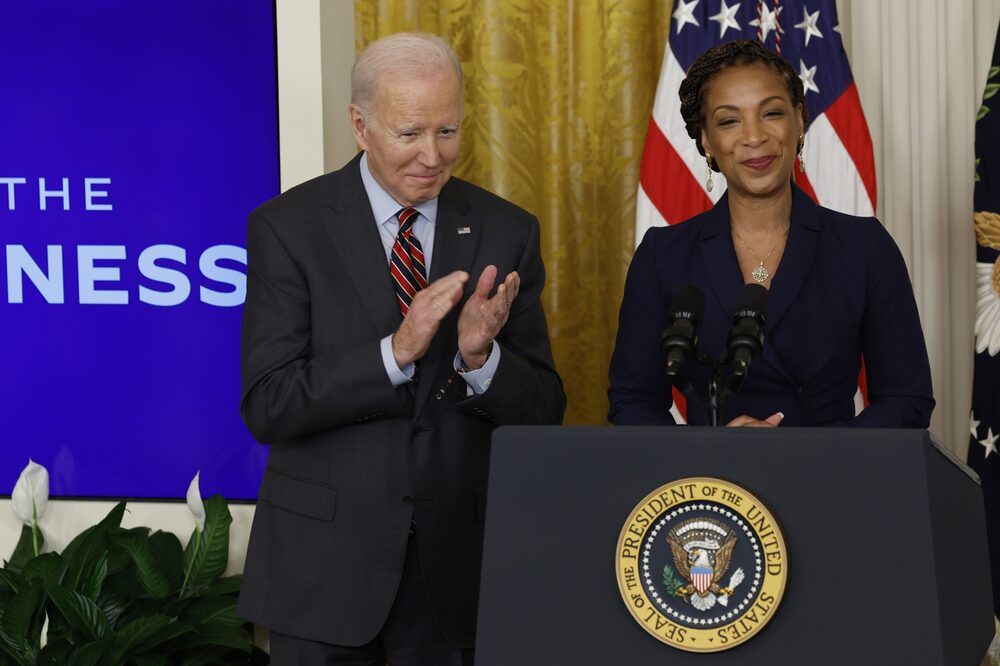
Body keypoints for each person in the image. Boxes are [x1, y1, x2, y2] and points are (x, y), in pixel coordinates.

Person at [237, 32, 565, 665]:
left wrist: (480, 360)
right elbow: (269, 404)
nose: (432, 156)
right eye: (409, 133)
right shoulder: (287, 227)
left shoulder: (507, 229)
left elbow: (545, 408)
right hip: (322, 575)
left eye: (448, 131)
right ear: (361, 126)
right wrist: (396, 350)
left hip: (455, 574)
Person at [608, 40, 933, 428]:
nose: (754, 136)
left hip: (831, 479)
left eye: (772, 113)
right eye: (729, 121)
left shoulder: (864, 247)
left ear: (798, 120)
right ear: (707, 141)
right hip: (708, 482)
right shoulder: (663, 256)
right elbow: (633, 401)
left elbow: (906, 399)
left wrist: (801, 455)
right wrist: (703, 457)